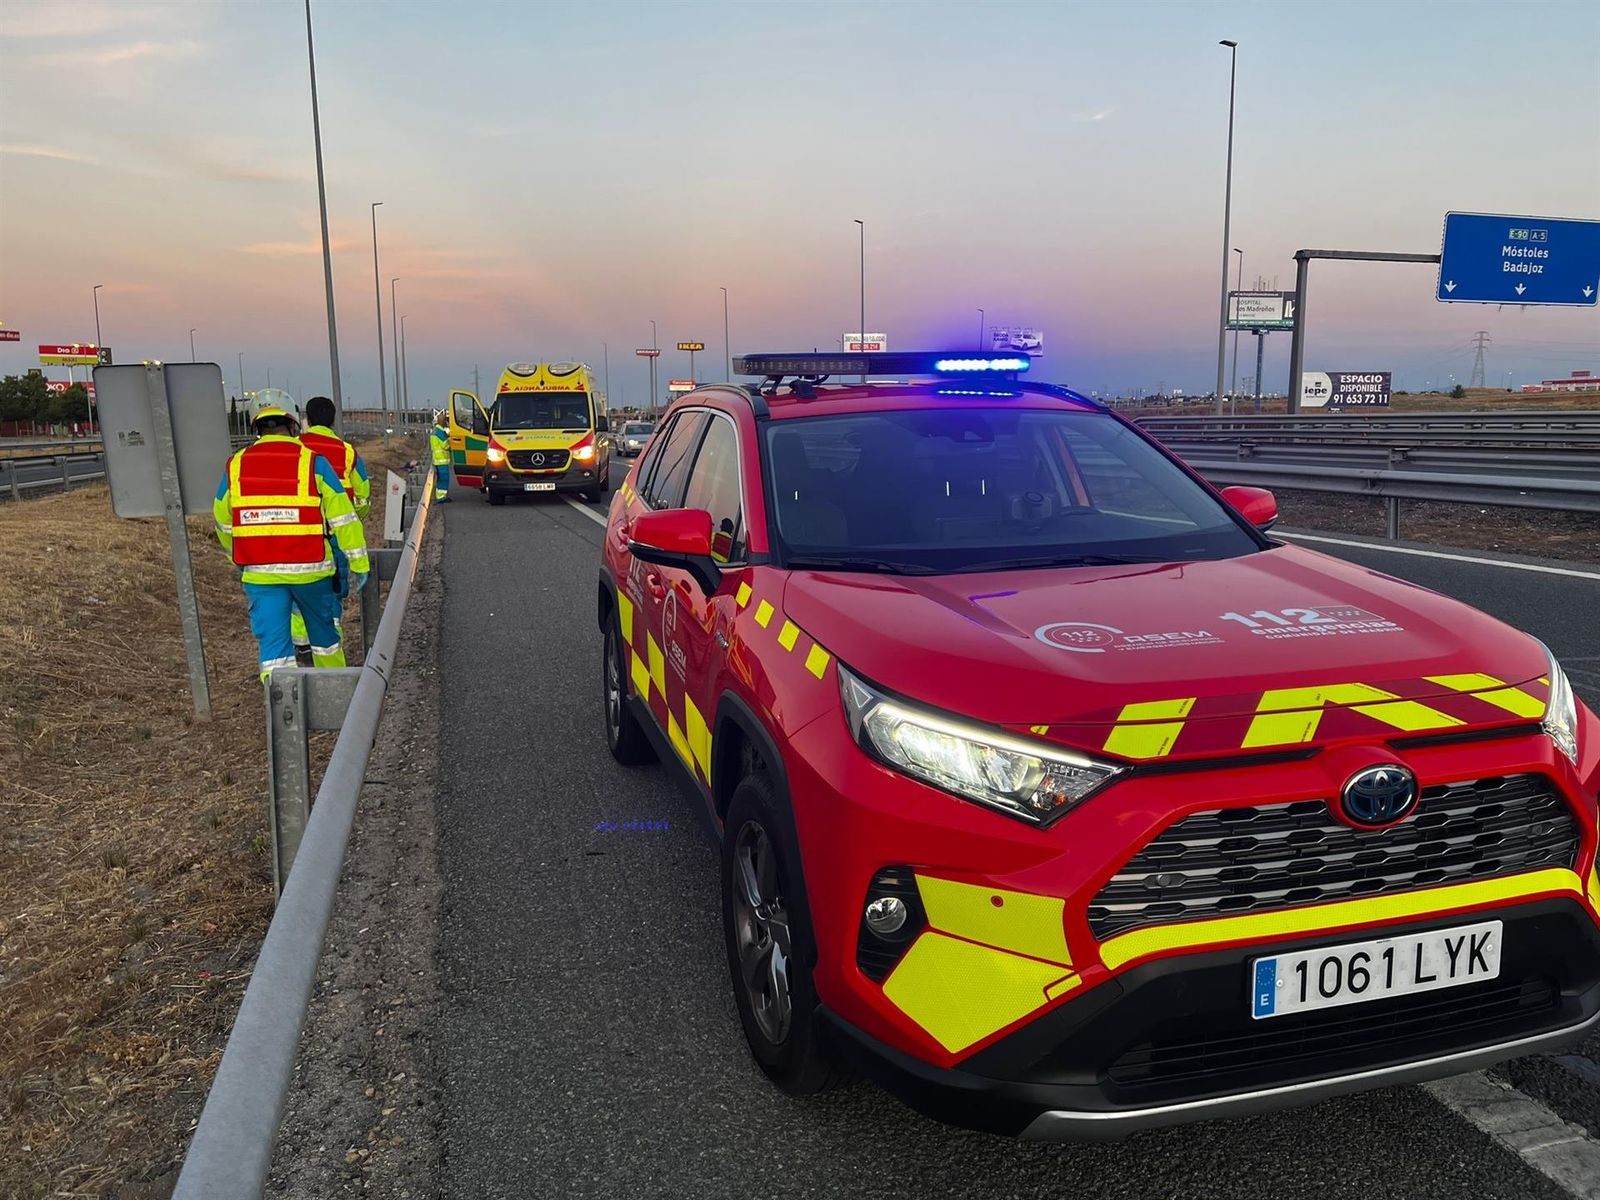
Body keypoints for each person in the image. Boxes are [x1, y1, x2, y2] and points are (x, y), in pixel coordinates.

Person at [212, 405, 371, 681]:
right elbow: (343, 518)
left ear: (258, 431)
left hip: (261, 576)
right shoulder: (313, 462)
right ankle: (335, 699)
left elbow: (222, 518)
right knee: (326, 640)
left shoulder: (236, 464)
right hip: (312, 571)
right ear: (294, 428)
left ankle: (284, 714)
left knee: (274, 651)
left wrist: (237, 558)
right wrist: (359, 562)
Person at [290, 396, 371, 655]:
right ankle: (331, 645)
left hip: (301, 532)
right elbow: (363, 493)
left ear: (307, 420)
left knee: (300, 589)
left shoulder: (295, 448)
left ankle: (301, 645)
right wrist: (353, 517)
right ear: (333, 420)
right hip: (336, 535)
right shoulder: (347, 452)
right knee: (334, 591)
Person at [430, 410, 452, 503]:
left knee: (440, 479)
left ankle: (440, 496)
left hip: (437, 459)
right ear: (442, 421)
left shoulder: (435, 431)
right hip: (442, 460)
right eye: (445, 421)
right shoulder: (440, 432)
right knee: (444, 479)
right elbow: (445, 445)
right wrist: (450, 440)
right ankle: (441, 498)